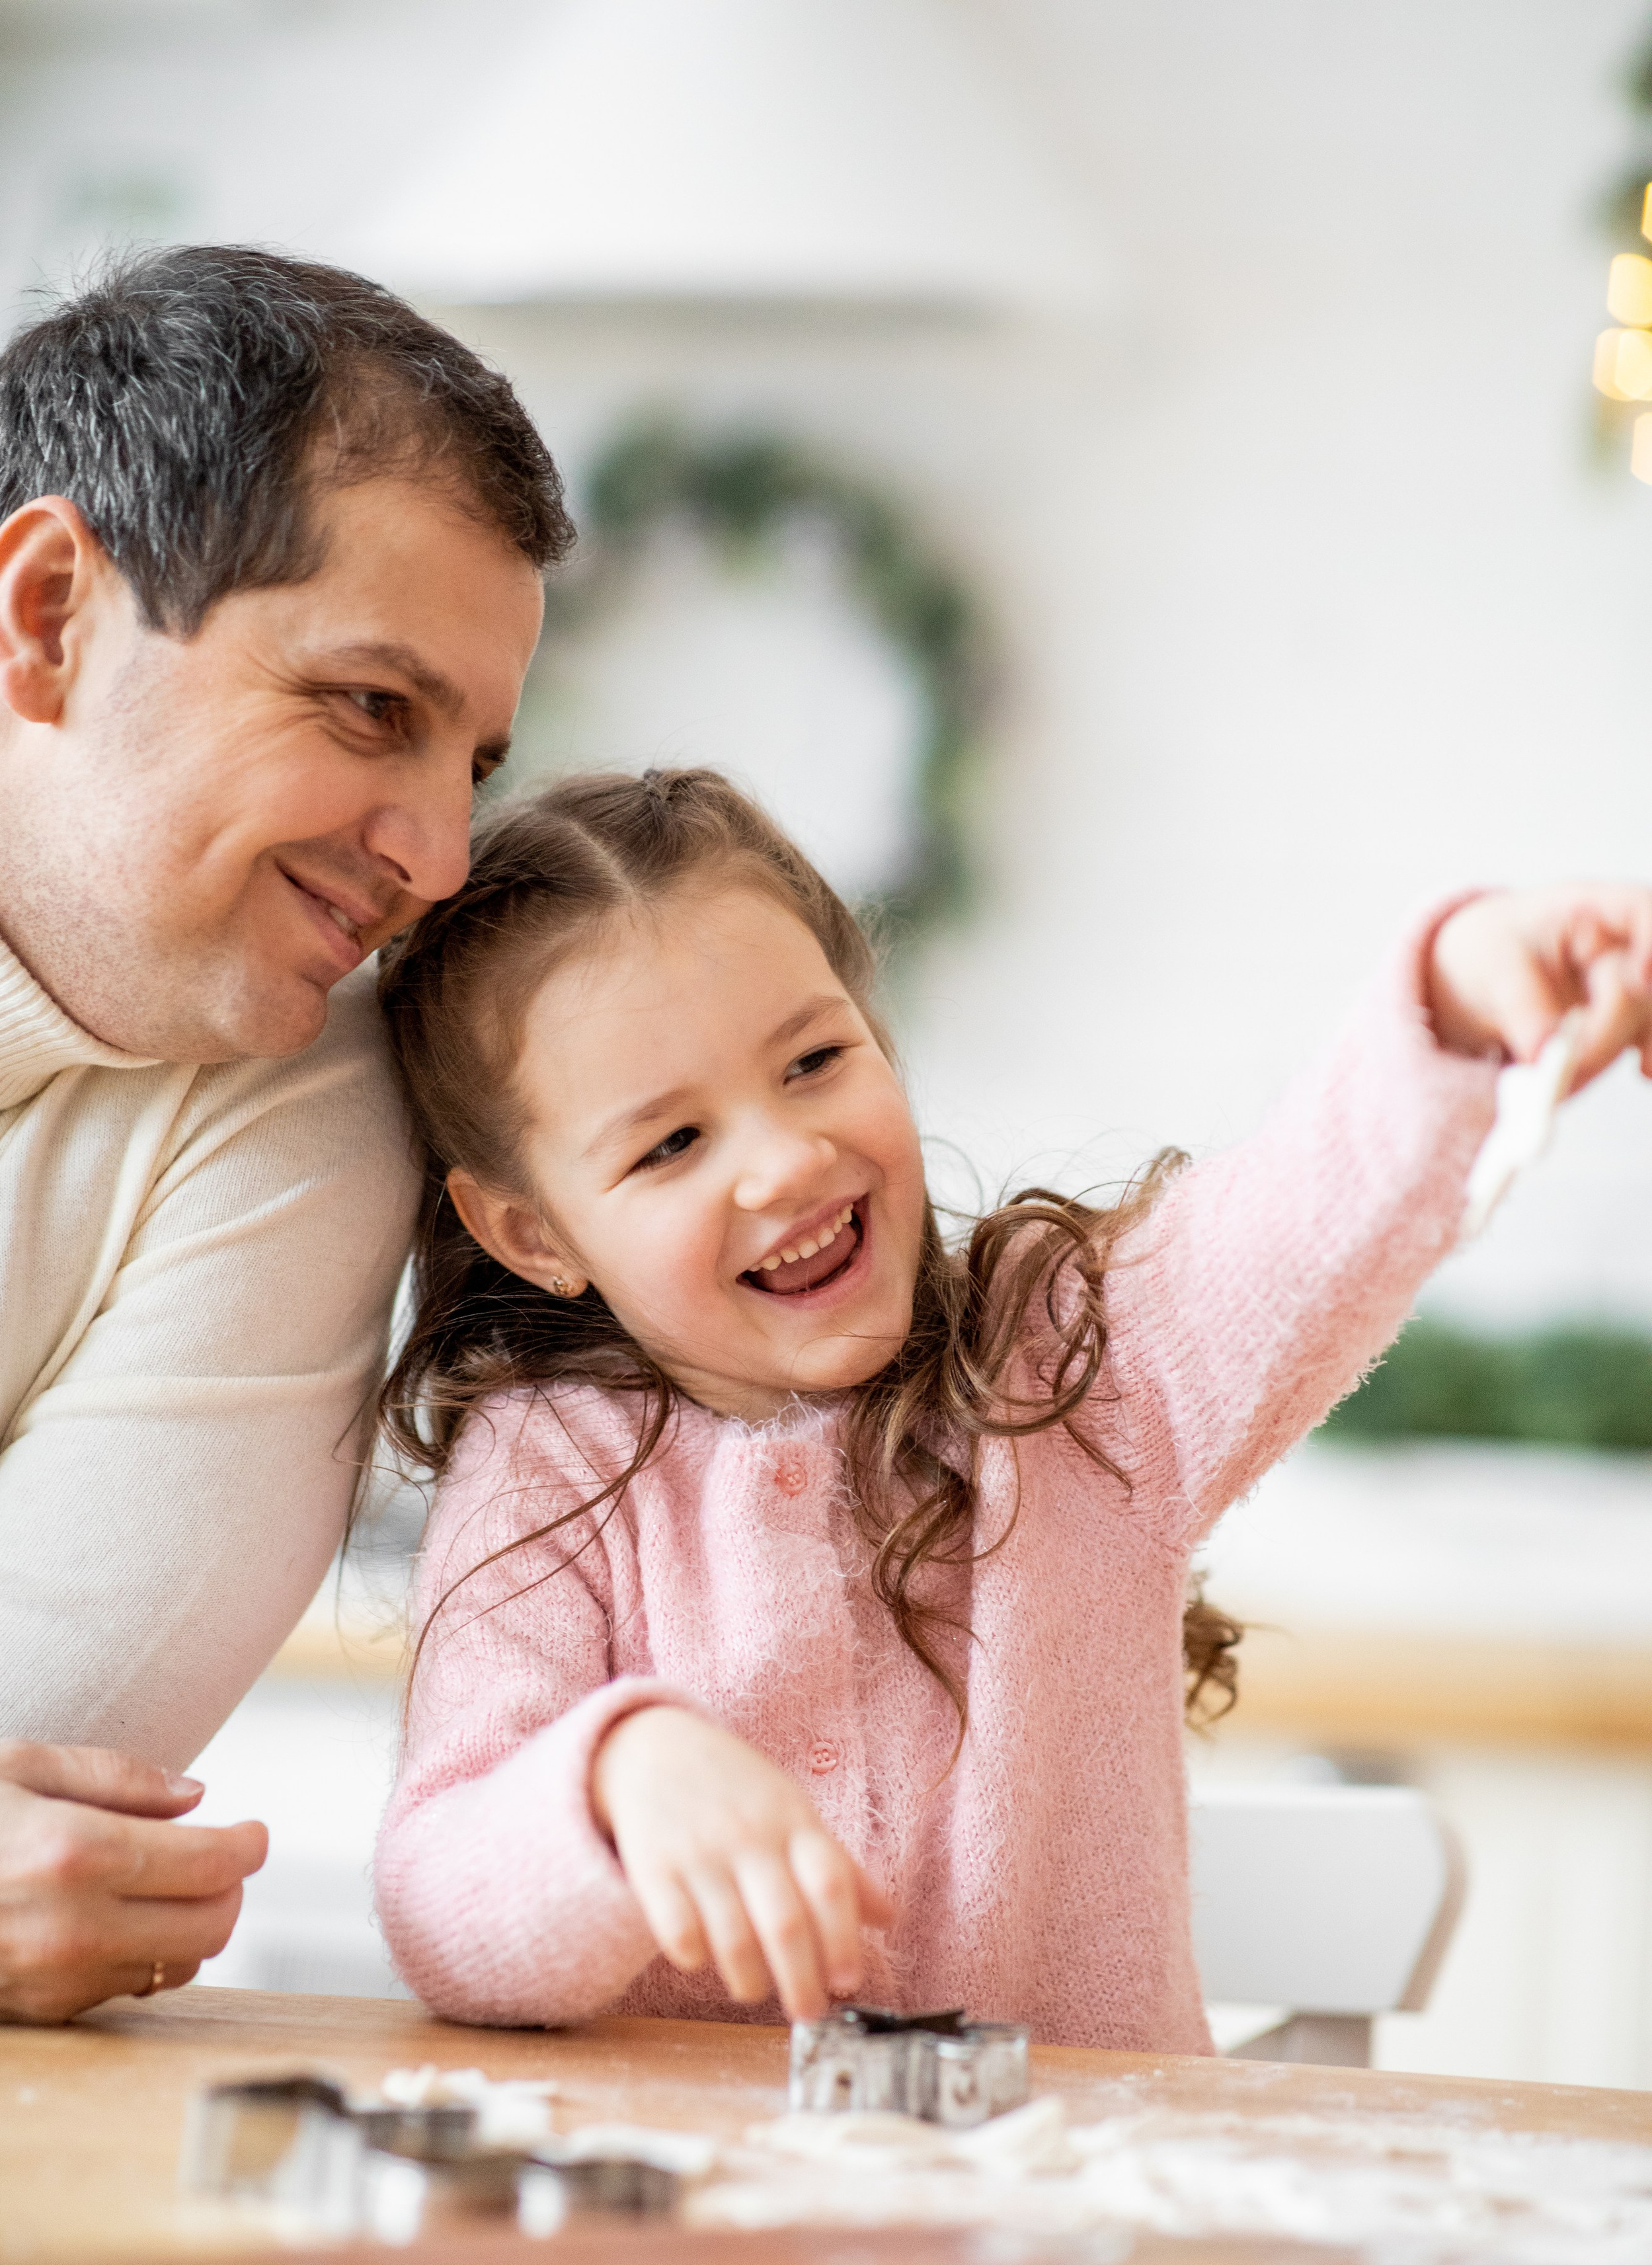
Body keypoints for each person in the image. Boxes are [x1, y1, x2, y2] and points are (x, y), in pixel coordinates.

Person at [368, 769, 1652, 2050]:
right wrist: (613, 1780)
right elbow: (440, 1909)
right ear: (532, 1233)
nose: (786, 1159)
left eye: (814, 1061)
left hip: (1086, 2182)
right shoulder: (540, 1469)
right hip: (692, 2186)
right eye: (670, 1144)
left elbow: (1300, 1215)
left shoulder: (1078, 1363)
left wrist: (1453, 1001)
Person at [0, 245, 570, 2022]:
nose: (438, 860)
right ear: (51, 615)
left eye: (471, 764)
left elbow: (27, 1766)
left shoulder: (296, 1093)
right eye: (373, 708)